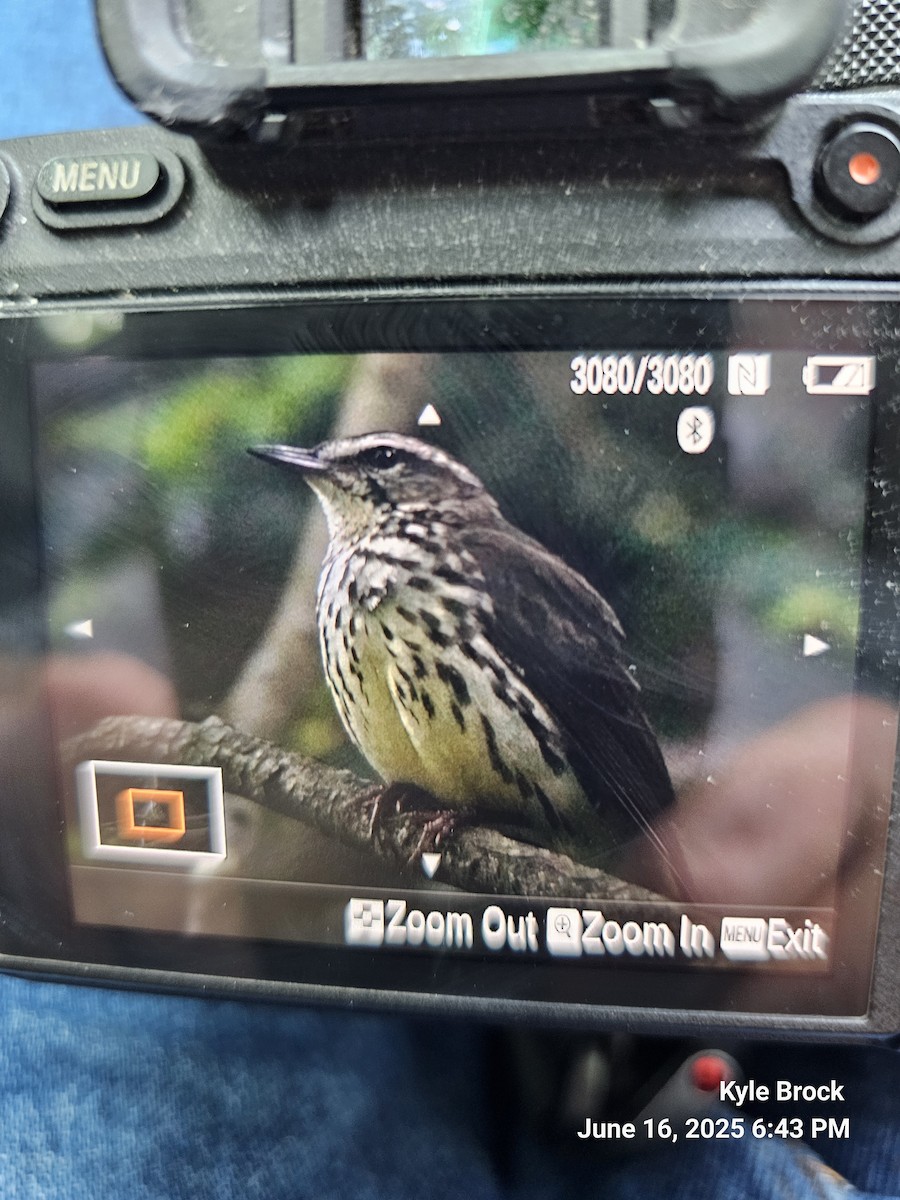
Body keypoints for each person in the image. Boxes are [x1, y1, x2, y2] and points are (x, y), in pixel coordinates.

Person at [1, 5, 899, 1197]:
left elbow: (610, 759)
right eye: (338, 466)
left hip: (681, 1036)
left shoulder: (494, 568)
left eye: (367, 468)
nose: (337, 479)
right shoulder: (345, 585)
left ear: (418, 489)